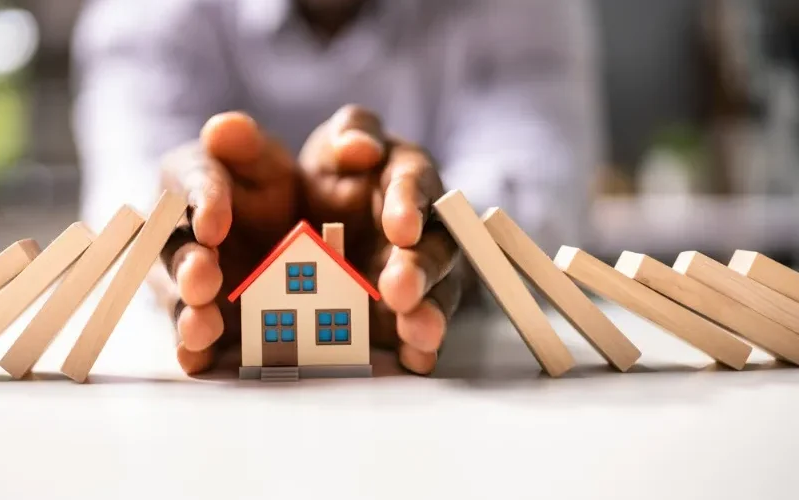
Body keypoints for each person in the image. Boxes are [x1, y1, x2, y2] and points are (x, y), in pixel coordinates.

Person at [71, 0, 603, 375]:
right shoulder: (145, 13)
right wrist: (175, 237)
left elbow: (537, 181)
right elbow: (127, 182)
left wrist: (446, 243)